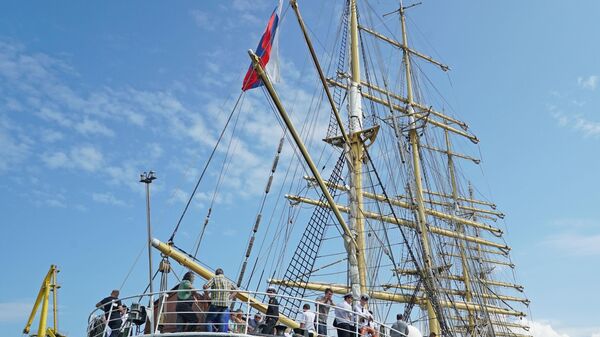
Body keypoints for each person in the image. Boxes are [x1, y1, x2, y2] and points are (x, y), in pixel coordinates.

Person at [204, 268, 237, 332]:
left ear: (216, 273)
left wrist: (207, 295)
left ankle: (209, 335)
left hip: (215, 303)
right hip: (225, 304)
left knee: (209, 320)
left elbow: (205, 286)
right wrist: (229, 298)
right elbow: (236, 290)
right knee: (222, 321)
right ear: (223, 274)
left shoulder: (214, 278)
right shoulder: (227, 280)